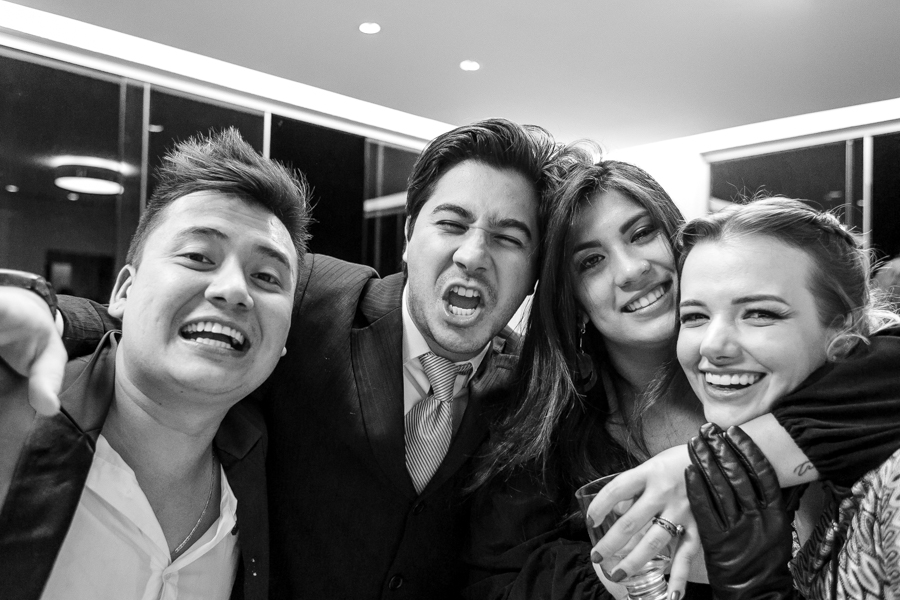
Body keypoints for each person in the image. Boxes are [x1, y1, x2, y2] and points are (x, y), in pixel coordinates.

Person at [0, 119, 563, 599]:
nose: (473, 254)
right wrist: (42, 310)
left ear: (535, 271)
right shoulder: (310, 294)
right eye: (452, 224)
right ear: (410, 235)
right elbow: (158, 323)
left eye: (509, 238)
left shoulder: (535, 395)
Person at [464, 156, 900, 600]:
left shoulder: (808, 375)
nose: (631, 270)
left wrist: (710, 469)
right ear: (572, 301)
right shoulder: (549, 438)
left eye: (642, 233)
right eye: (591, 261)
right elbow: (501, 582)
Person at [0, 128, 312, 600]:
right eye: (198, 256)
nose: (234, 290)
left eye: (267, 277)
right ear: (124, 292)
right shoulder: (15, 420)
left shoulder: (267, 479)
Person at [677, 198, 900, 600]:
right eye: (695, 316)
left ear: (841, 329)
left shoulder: (893, 483)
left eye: (759, 313)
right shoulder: (778, 473)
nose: (711, 346)